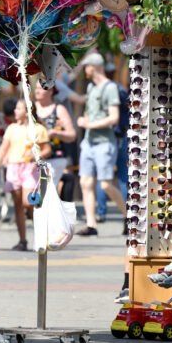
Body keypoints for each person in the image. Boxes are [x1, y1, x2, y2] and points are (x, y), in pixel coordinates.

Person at [75, 53, 127, 236]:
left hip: (105, 142)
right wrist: (85, 120)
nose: (85, 71)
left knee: (105, 184)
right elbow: (91, 111)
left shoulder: (111, 88)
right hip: (89, 142)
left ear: (94, 67)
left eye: (87, 66)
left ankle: (128, 215)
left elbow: (114, 117)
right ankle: (91, 224)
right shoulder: (91, 88)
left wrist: (89, 124)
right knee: (85, 182)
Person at [0, 99, 51, 251]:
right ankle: (23, 239)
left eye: (18, 109)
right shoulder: (11, 128)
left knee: (28, 202)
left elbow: (47, 149)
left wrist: (36, 155)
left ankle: (41, 232)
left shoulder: (38, 129)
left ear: (26, 112)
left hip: (29, 168)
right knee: (18, 205)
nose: (15, 111)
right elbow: (3, 148)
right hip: (14, 167)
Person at [95, 61, 128, 224]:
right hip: (119, 136)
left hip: (104, 137)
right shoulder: (119, 89)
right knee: (122, 176)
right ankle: (127, 213)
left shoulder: (98, 90)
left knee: (103, 177)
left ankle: (101, 213)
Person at [34, 85, 76, 190]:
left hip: (54, 158)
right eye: (36, 88)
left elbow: (72, 135)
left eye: (41, 88)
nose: (37, 91)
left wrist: (55, 133)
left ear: (50, 91)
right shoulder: (31, 108)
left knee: (46, 191)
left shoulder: (59, 109)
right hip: (32, 159)